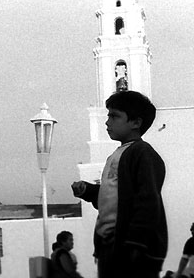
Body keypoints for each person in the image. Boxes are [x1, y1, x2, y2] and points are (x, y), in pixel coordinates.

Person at [72, 90, 167, 278]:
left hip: (131, 249)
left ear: (136, 122)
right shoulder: (116, 155)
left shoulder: (141, 153)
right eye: (108, 115)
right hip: (111, 246)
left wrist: (136, 244)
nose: (107, 122)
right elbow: (116, 198)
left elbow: (147, 201)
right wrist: (89, 191)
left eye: (114, 116)